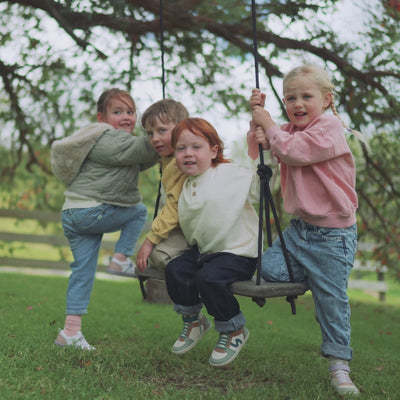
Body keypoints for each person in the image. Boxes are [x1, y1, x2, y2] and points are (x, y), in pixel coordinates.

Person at [249, 64, 365, 396]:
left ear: (327, 100)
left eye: (306, 97)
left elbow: (292, 152)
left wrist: (268, 124)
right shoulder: (288, 129)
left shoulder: (328, 129)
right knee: (269, 269)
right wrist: (257, 118)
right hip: (299, 231)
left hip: (333, 235)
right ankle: (314, 275)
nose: (297, 104)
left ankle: (339, 366)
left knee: (331, 300)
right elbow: (264, 150)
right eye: (290, 98)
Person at [51, 88, 159, 350]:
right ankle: (120, 259)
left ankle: (70, 332)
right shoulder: (105, 137)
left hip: (75, 213)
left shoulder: (116, 143)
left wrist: (160, 147)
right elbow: (141, 149)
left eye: (131, 112)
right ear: (102, 118)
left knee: (82, 272)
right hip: (89, 211)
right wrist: (166, 132)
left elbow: (140, 159)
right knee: (138, 211)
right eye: (117, 112)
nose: (125, 117)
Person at [165, 117, 259, 367]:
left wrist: (263, 154)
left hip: (237, 252)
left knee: (209, 279)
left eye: (196, 147)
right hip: (205, 252)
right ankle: (193, 320)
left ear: (213, 150)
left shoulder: (228, 173)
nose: (188, 153)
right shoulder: (184, 184)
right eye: (181, 148)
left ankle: (233, 329)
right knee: (175, 269)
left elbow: (260, 189)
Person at [136, 99, 191, 271]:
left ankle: (192, 265)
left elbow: (174, 206)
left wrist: (150, 239)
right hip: (181, 227)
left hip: (187, 229)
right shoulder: (169, 160)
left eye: (162, 131)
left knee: (156, 255)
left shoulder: (179, 163)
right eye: (150, 133)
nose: (155, 139)